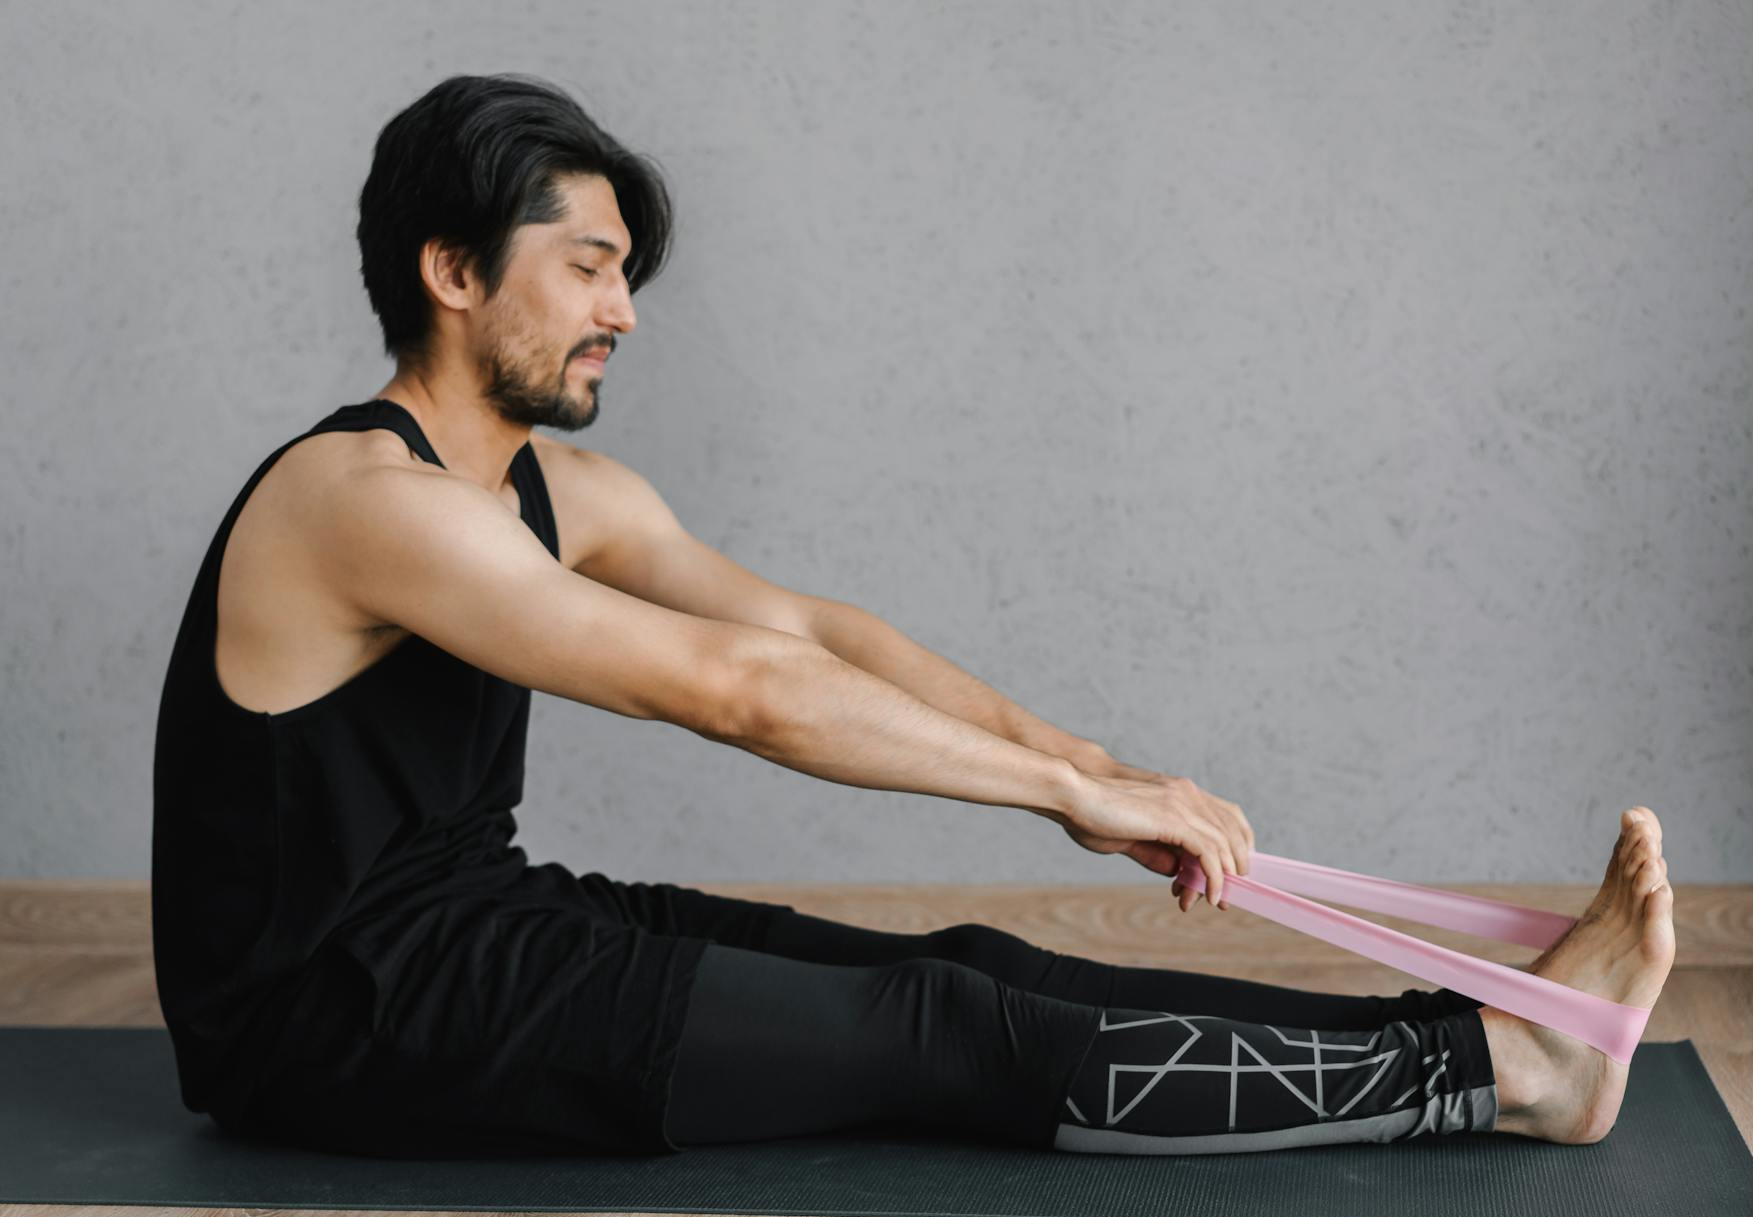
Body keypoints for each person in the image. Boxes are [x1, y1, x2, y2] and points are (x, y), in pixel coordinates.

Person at [150, 72, 1675, 1161]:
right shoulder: (358, 499)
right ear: (452, 271)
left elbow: (815, 634)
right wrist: (1065, 792)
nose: (626, 309)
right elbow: (734, 690)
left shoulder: (562, 490)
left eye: (628, 273)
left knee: (972, 955)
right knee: (938, 1030)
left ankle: (1484, 1037)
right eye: (590, 266)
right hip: (331, 1017)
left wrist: (1078, 757)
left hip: (479, 929)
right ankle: (1509, 1073)